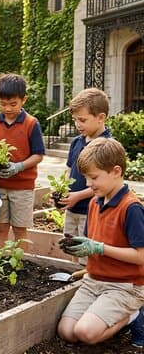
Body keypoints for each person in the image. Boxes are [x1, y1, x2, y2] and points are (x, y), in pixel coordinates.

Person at [57, 138, 144, 346]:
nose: (88, 184)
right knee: (67, 332)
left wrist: (99, 248)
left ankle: (134, 316)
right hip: (94, 281)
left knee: (85, 333)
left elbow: (141, 255)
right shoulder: (95, 202)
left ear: (116, 171)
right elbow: (91, 241)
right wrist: (80, 246)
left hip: (124, 286)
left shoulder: (131, 208)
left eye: (94, 177)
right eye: (86, 178)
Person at [0, 74, 45, 250]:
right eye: (3, 104)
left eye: (13, 104)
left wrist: (19, 166)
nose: (7, 108)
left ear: (23, 100)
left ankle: (21, 262)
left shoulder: (32, 124)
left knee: (19, 229)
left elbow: (38, 155)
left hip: (23, 188)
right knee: (1, 227)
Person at [60, 88, 111, 264]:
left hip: (90, 211)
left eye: (82, 120)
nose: (78, 125)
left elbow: (107, 183)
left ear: (101, 117)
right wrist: (64, 192)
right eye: (75, 120)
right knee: (72, 248)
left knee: (87, 256)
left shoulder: (107, 146)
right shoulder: (77, 142)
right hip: (72, 209)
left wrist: (79, 196)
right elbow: (69, 170)